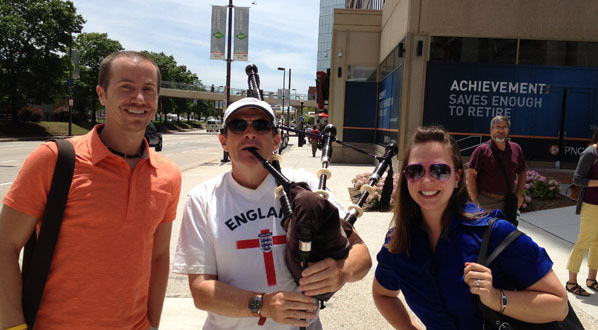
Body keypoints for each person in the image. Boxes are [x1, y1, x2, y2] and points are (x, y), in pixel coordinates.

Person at [0, 51, 182, 330]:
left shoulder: (168, 175)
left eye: (149, 90)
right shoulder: (54, 160)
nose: (139, 99)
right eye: (126, 88)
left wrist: (151, 325)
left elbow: (158, 258)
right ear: (102, 94)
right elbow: (5, 246)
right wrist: (13, 327)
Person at [173, 97, 371, 330]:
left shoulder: (306, 185)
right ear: (223, 140)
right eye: (238, 125)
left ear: (276, 139)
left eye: (261, 125)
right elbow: (201, 292)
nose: (249, 133)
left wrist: (342, 271)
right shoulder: (202, 199)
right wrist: (263, 304)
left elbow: (361, 253)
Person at [372, 126, 568, 329]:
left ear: (457, 178)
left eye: (440, 171)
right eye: (416, 171)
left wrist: (495, 298)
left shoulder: (496, 234)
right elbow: (383, 294)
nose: (427, 179)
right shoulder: (399, 241)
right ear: (406, 178)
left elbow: (559, 306)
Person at [466, 115, 527, 214]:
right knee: (484, 229)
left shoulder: (516, 148)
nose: (501, 131)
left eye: (504, 127)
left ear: (508, 130)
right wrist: (475, 199)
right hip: (485, 202)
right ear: (491, 130)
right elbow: (470, 174)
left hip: (508, 203)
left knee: (506, 229)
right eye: (497, 127)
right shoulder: (482, 150)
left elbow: (522, 171)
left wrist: (519, 194)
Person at [566, 130, 598, 296]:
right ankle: (571, 282)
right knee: (584, 242)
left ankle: (592, 280)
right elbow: (578, 179)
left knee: (597, 244)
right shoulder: (590, 153)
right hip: (591, 204)